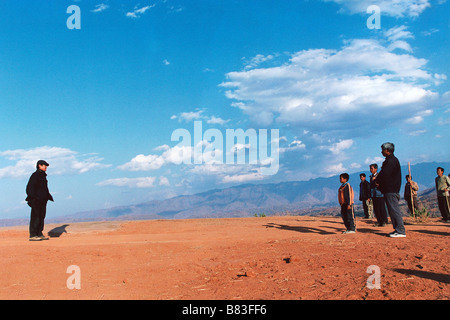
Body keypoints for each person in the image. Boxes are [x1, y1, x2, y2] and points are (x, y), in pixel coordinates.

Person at [373, 142, 406, 237]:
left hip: (391, 189)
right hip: (389, 189)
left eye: (383, 150)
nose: (381, 152)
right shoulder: (390, 160)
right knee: (392, 210)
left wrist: (377, 180)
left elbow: (385, 174)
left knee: (394, 210)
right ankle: (397, 229)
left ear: (387, 150)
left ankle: (400, 231)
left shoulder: (391, 161)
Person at [26, 160, 54, 241]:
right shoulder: (35, 175)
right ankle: (33, 235)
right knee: (36, 217)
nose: (46, 167)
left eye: (46, 166)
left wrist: (48, 196)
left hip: (43, 200)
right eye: (44, 165)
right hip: (36, 200)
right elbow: (29, 188)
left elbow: (44, 189)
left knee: (41, 217)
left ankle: (39, 233)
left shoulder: (43, 176)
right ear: (39, 165)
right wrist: (34, 198)